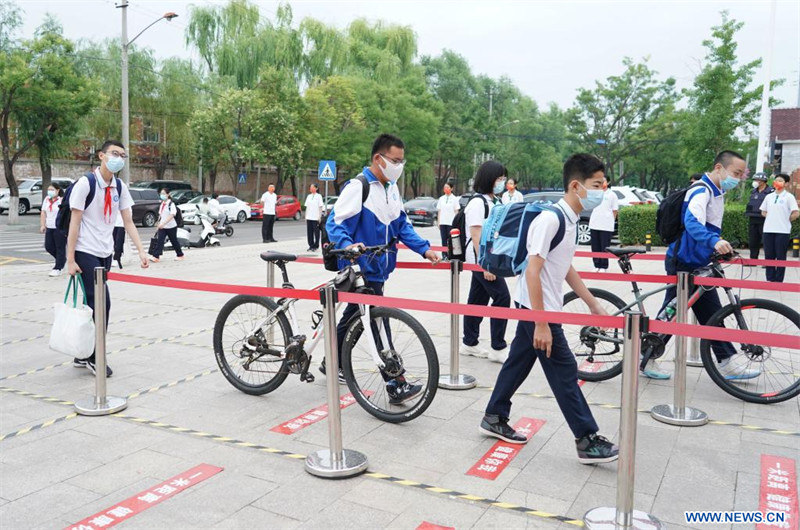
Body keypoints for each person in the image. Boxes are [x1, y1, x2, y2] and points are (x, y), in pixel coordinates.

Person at [480, 153, 619, 465]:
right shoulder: (551, 219)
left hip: (539, 307)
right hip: (538, 310)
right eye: (596, 185)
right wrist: (542, 323)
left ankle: (493, 415)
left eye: (604, 184)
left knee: (518, 362)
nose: (602, 191)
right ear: (575, 185)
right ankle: (586, 438)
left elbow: (564, 267)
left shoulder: (569, 220)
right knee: (565, 372)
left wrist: (593, 304)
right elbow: (532, 271)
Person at [324, 133, 440, 402]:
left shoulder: (391, 188)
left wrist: (424, 249)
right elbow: (334, 224)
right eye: (395, 160)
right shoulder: (358, 186)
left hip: (380, 268)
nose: (400, 166)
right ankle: (395, 383)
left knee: (353, 318)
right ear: (379, 158)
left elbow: (401, 227)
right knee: (378, 323)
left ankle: (331, 362)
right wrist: (349, 245)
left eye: (402, 161)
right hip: (360, 270)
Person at [648, 150, 760, 380]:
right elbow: (691, 222)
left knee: (709, 313)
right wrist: (714, 241)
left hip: (698, 262)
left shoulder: (716, 192)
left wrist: (717, 246)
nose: (738, 179)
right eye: (735, 173)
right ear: (719, 168)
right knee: (674, 311)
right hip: (684, 262)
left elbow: (709, 227)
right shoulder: (701, 190)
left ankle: (726, 361)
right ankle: (645, 355)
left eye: (741, 175)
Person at [66, 140, 149, 377]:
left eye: (122, 155)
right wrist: (70, 260)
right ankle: (95, 357)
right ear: (102, 155)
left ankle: (82, 353)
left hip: (105, 252)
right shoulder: (86, 183)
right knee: (103, 303)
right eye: (115, 153)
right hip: (85, 251)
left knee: (93, 304)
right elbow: (75, 222)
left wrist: (141, 251)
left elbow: (128, 221)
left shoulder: (120, 187)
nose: (119, 158)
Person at [461, 161, 511, 364]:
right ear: (489, 179)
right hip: (481, 260)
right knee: (502, 298)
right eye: (499, 178)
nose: (503, 182)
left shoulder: (493, 201)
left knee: (477, 300)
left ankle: (469, 343)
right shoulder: (477, 203)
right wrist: (486, 265)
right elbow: (476, 235)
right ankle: (497, 347)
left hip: (488, 258)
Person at [760, 174, 799, 283]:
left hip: (782, 231)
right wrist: (772, 217)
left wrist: (786, 219)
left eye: (780, 180)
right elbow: (763, 211)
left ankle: (778, 280)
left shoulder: (789, 197)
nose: (777, 182)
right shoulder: (769, 196)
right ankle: (770, 279)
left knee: (780, 256)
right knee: (769, 255)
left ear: (786, 183)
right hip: (768, 230)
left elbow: (796, 213)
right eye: (776, 180)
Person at [588, 177, 618, 272]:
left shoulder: (612, 195)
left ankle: (604, 266)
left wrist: (610, 221)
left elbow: (615, 210)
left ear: (608, 182)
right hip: (594, 223)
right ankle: (596, 264)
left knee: (604, 247)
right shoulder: (595, 193)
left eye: (603, 181)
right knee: (595, 246)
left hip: (606, 225)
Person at [148, 189, 185, 263]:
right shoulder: (162, 204)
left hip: (171, 226)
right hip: (162, 227)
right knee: (160, 241)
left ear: (168, 194)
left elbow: (172, 215)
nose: (162, 195)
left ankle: (180, 255)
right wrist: (158, 223)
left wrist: (164, 223)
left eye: (164, 193)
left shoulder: (171, 204)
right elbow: (160, 215)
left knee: (174, 241)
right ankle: (156, 256)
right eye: (161, 193)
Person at [40, 182, 66, 277]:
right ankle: (62, 260)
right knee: (49, 246)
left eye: (52, 190)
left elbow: (65, 214)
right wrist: (43, 225)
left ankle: (58, 267)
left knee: (60, 248)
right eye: (49, 190)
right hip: (49, 227)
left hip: (59, 227)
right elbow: (43, 212)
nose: (50, 192)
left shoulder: (61, 200)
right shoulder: (47, 199)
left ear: (58, 190)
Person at [746, 173, 772, 261]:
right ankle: (753, 260)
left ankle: (768, 261)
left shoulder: (770, 192)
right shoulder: (753, 191)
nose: (755, 182)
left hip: (765, 219)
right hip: (753, 218)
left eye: (757, 180)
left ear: (763, 181)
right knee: (753, 240)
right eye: (755, 180)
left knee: (766, 241)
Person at [436, 183, 459, 257]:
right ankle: (444, 255)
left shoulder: (454, 199)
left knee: (451, 240)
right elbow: (439, 211)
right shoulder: (441, 198)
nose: (446, 189)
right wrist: (438, 222)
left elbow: (456, 211)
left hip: (451, 222)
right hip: (443, 222)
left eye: (447, 187)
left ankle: (450, 255)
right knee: (443, 239)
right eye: (444, 187)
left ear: (451, 189)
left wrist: (456, 223)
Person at [304, 184, 324, 251]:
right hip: (309, 217)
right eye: (310, 187)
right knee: (309, 232)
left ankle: (316, 246)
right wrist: (306, 216)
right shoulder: (309, 196)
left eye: (312, 187)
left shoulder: (319, 196)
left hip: (315, 217)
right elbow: (307, 207)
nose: (311, 189)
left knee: (316, 232)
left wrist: (319, 217)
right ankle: (311, 245)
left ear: (316, 188)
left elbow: (320, 207)